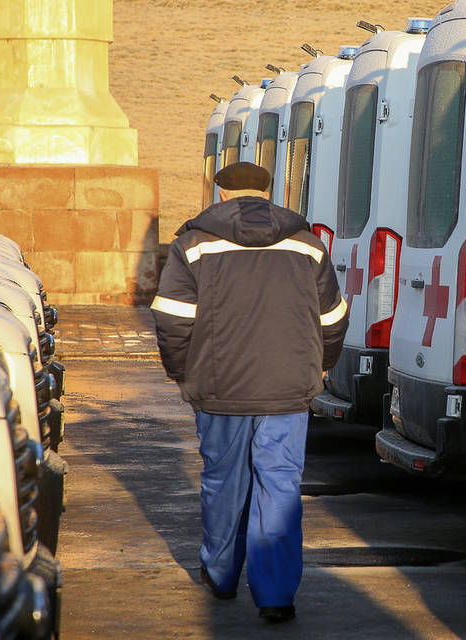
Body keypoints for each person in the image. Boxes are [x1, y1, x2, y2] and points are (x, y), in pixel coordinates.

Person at [150, 161, 348, 622]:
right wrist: (321, 365)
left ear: (220, 194)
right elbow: (333, 319)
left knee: (223, 481)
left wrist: (182, 373)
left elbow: (172, 320)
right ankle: (276, 596)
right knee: (279, 483)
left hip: (219, 389)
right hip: (287, 389)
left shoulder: (192, 245)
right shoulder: (308, 245)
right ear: (267, 192)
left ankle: (220, 576)